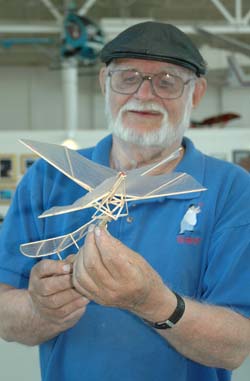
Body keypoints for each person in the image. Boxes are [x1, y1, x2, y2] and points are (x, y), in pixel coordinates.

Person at [0, 21, 250, 381]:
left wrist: (151, 301)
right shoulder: (48, 177)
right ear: (104, 82)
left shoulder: (231, 188)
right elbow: (7, 319)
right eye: (128, 77)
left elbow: (236, 347)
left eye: (167, 81)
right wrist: (42, 309)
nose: (144, 94)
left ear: (195, 94)